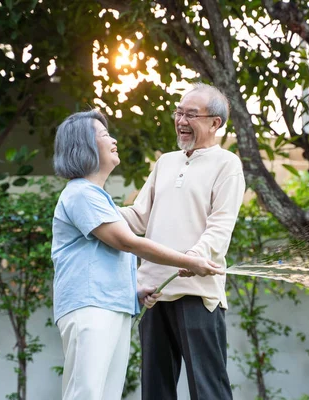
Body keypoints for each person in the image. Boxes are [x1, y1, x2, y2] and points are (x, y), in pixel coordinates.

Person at [51, 109, 224, 400]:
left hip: (112, 306)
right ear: (84, 147)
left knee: (106, 394)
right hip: (90, 307)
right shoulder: (80, 193)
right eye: (104, 135)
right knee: (87, 393)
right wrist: (187, 260)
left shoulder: (99, 198)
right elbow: (128, 242)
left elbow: (103, 259)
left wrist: (135, 291)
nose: (113, 139)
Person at [120, 83, 246, 400]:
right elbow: (138, 216)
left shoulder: (227, 164)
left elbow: (220, 225)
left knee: (208, 390)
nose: (181, 120)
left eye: (191, 114)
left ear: (215, 123)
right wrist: (95, 211)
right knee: (155, 391)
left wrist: (193, 257)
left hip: (197, 293)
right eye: (179, 112)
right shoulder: (166, 162)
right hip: (152, 292)